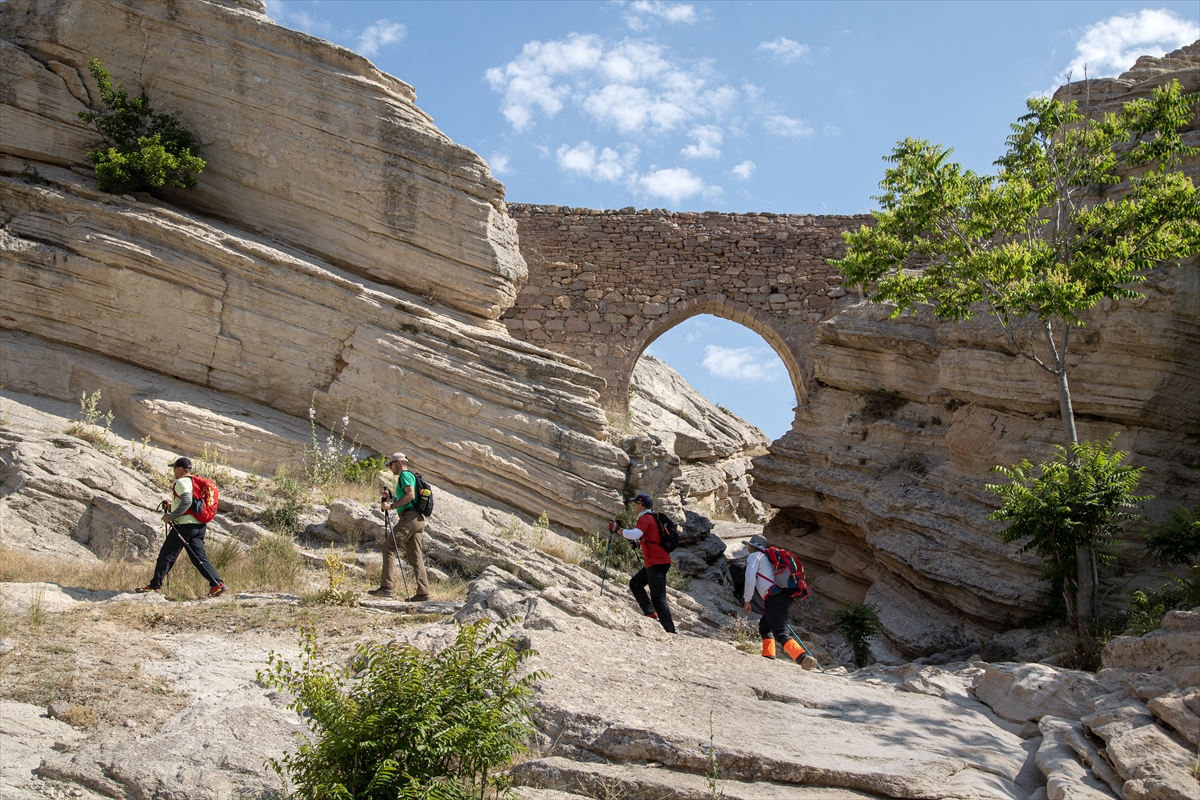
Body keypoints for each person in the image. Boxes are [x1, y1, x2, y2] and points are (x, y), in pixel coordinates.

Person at [136, 457, 226, 597]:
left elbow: (187, 501)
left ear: (180, 469)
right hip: (199, 526)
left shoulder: (181, 482)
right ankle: (217, 584)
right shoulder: (194, 482)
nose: (173, 472)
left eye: (174, 469)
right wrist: (172, 507)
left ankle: (154, 587)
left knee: (166, 555)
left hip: (184, 526)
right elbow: (190, 505)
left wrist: (170, 516)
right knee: (199, 558)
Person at [743, 534, 816, 669]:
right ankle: (768, 656)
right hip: (782, 596)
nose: (748, 548)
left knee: (780, 632)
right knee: (765, 626)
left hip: (775, 597)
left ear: (753, 546)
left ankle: (803, 658)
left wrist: (747, 600)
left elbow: (750, 578)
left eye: (749, 545)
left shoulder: (755, 556)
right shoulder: (767, 558)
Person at [610, 493, 675, 634]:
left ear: (640, 505)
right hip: (657, 561)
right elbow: (651, 538)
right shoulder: (651, 518)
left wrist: (617, 529)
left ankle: (669, 629)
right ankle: (650, 613)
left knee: (658, 596)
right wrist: (637, 545)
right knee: (635, 583)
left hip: (656, 561)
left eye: (635, 504)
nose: (634, 507)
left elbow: (634, 534)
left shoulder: (645, 518)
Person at [371, 452, 430, 601]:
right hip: (417, 519)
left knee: (389, 547)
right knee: (415, 557)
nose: (390, 468)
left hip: (409, 518)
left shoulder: (404, 475)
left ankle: (386, 587)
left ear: (398, 463)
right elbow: (408, 496)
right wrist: (393, 497)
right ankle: (423, 593)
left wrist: (391, 506)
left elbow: (410, 495)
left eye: (390, 465)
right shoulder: (409, 477)